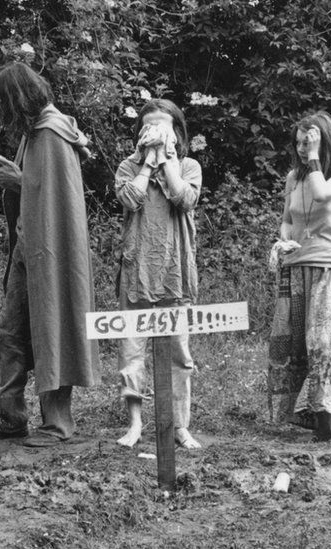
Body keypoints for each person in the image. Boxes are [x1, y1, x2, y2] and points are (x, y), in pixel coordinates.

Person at [0, 62, 97, 448]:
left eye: (2, 104)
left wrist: (19, 181)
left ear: (16, 99)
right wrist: (16, 177)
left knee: (51, 328)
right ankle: (7, 417)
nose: (1, 113)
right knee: (11, 334)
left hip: (52, 254)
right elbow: (37, 188)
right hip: (29, 249)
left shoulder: (52, 132)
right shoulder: (34, 132)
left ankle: (58, 424)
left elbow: (56, 199)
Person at [113, 99, 203, 450]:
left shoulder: (189, 166)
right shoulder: (127, 167)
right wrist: (148, 165)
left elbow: (184, 199)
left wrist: (166, 162)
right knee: (131, 352)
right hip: (137, 269)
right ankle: (135, 424)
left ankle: (180, 426)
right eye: (148, 126)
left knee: (180, 353)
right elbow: (131, 199)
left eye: (162, 127)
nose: (154, 133)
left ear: (177, 133)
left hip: (174, 271)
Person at [268, 111, 331, 443]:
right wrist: (284, 238)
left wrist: (317, 157)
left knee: (325, 340)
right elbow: (288, 218)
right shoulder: (293, 177)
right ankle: (294, 413)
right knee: (290, 343)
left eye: (310, 141)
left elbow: (321, 194)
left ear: (323, 140)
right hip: (297, 264)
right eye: (300, 143)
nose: (303, 149)